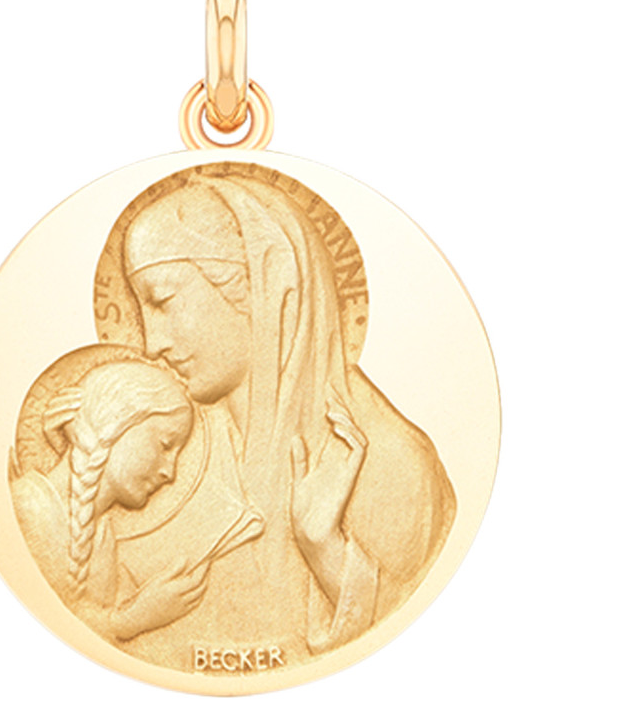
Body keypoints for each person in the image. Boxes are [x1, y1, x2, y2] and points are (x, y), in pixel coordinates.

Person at [121, 166, 456, 660]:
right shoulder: (168, 453)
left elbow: (425, 641)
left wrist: (325, 549)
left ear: (256, 286)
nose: (152, 343)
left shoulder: (397, 468)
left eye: (163, 301)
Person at [10, 357, 208, 642]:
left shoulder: (102, 537)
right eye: (165, 445)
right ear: (115, 422)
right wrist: (131, 621)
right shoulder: (29, 508)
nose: (171, 471)